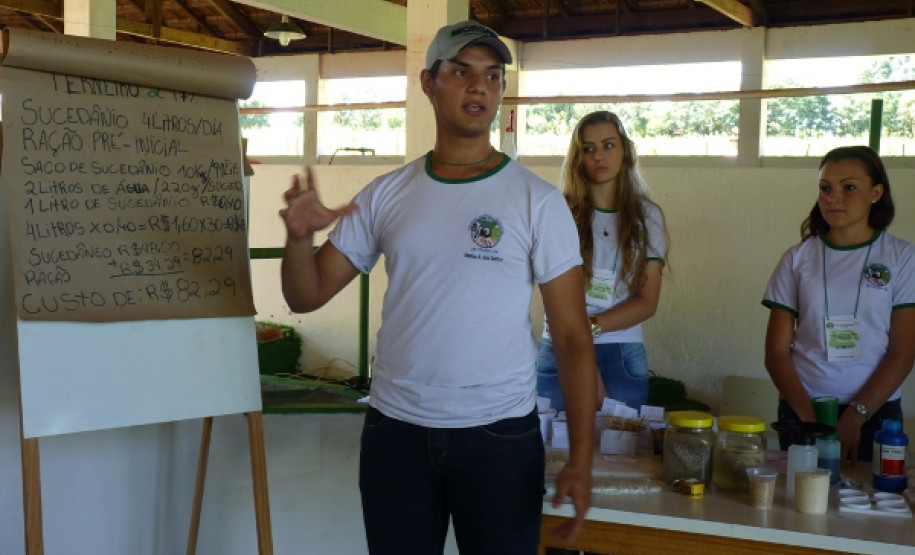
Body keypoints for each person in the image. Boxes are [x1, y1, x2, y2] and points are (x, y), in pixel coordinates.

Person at [279, 20, 597, 555]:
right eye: (461, 72)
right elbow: (305, 296)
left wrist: (582, 458)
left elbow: (571, 337)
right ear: (428, 83)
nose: (479, 87)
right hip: (396, 433)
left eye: (492, 76)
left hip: (499, 436)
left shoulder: (536, 202)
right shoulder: (385, 194)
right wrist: (298, 239)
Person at [763, 145, 915, 464]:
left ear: (876, 193)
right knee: (802, 494)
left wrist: (856, 417)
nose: (833, 197)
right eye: (825, 188)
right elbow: (776, 353)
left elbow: (903, 352)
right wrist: (813, 421)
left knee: (869, 494)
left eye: (849, 187)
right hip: (804, 410)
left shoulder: (902, 257)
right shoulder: (797, 258)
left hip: (875, 412)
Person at [537, 111, 667, 413]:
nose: (599, 155)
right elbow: (551, 292)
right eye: (588, 148)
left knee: (620, 442)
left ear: (625, 151)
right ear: (577, 158)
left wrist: (590, 328)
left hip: (621, 352)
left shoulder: (648, 216)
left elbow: (647, 302)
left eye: (608, 145)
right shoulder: (558, 212)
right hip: (560, 348)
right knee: (556, 441)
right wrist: (579, 342)